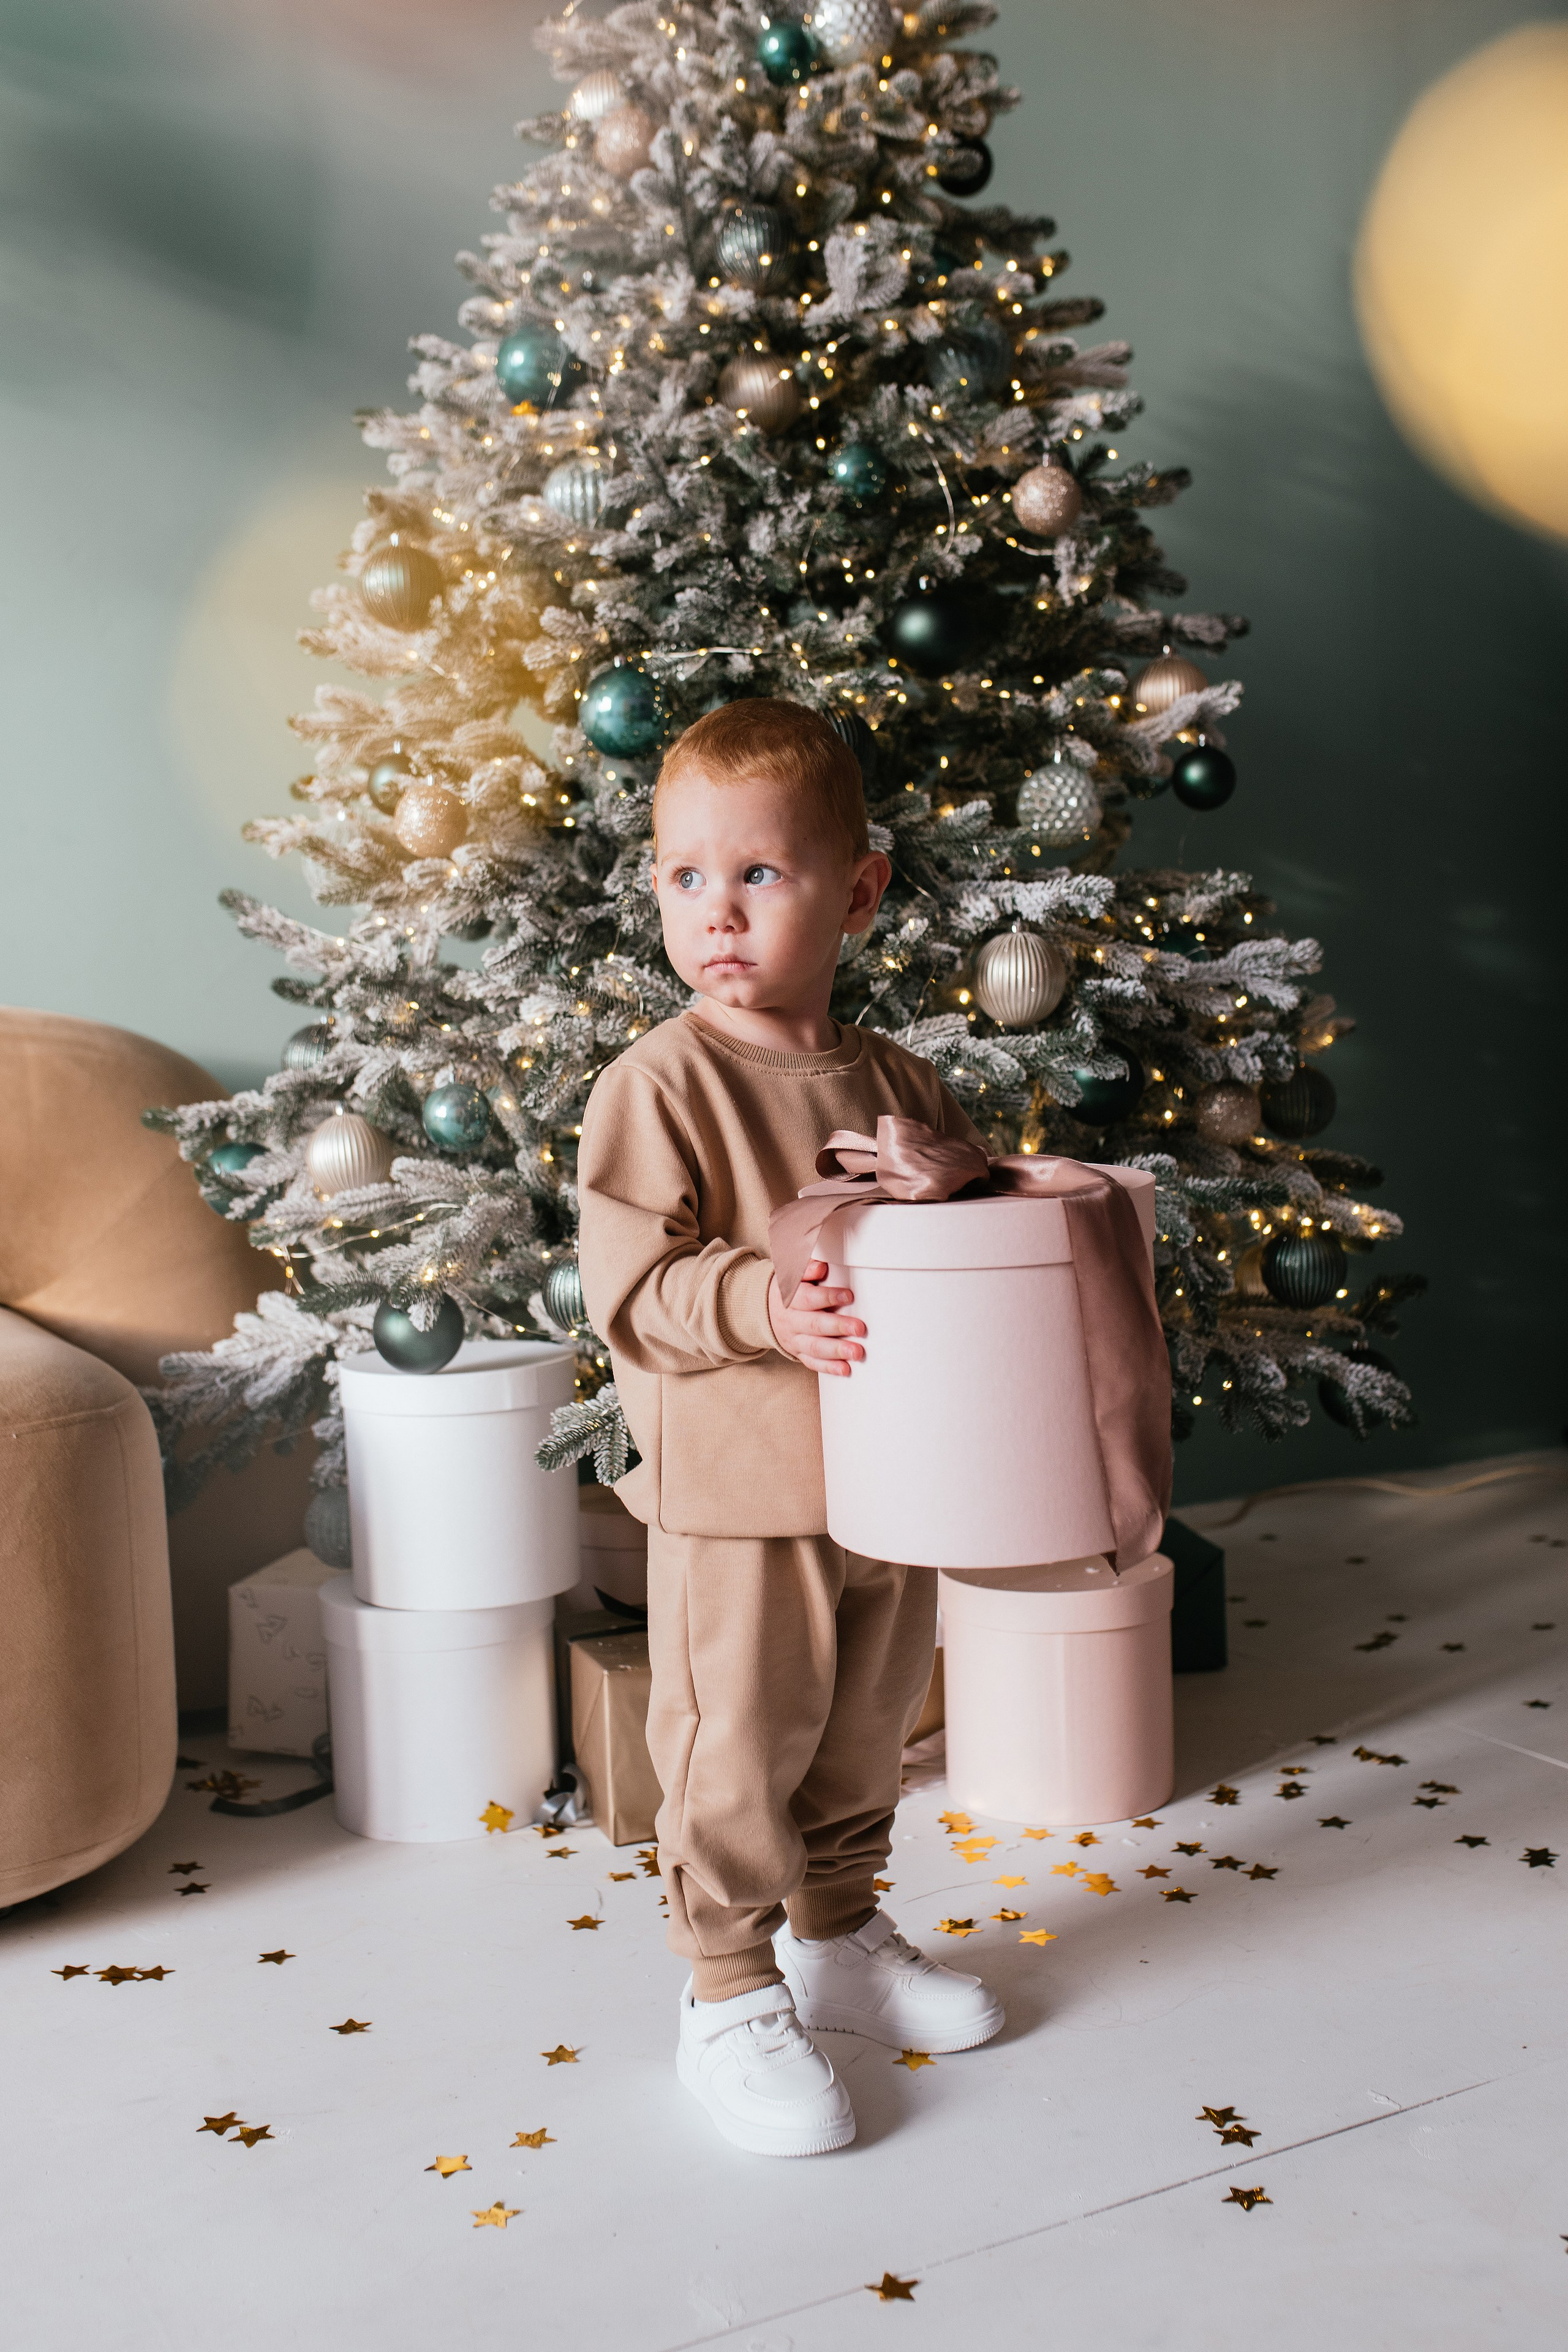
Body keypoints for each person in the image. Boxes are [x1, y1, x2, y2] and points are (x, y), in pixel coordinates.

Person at [576, 698, 1004, 2159]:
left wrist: (953, 1178)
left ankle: (837, 1938)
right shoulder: (658, 1085)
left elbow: (961, 1247)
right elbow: (632, 1287)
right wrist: (761, 1301)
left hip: (887, 1479)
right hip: (741, 1494)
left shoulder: (897, 1083)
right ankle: (725, 1991)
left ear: (857, 892)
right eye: (684, 876)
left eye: (757, 873)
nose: (717, 910)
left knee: (867, 1725)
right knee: (739, 1740)